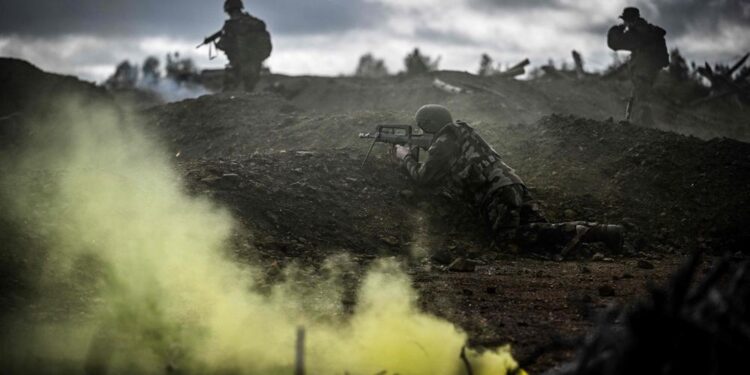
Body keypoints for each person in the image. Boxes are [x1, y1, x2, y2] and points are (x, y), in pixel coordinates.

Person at [394, 104, 623, 255]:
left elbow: (423, 178)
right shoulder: (462, 133)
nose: (422, 132)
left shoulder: (443, 142)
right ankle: (603, 231)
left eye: (423, 128)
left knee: (508, 239)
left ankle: (586, 233)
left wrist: (405, 157)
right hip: (511, 184)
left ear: (431, 125)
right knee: (539, 230)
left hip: (497, 193)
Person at [607, 7, 669, 126]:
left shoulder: (639, 33)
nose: (624, 23)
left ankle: (641, 126)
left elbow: (614, 43)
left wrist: (618, 29)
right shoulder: (649, 31)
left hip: (643, 71)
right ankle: (638, 124)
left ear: (630, 21)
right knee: (639, 96)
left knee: (641, 99)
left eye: (625, 21)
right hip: (649, 71)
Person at [216, 0, 272, 92]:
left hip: (238, 64)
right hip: (254, 63)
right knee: (251, 90)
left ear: (229, 10)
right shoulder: (254, 23)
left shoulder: (230, 25)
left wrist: (218, 45)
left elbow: (224, 44)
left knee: (229, 92)